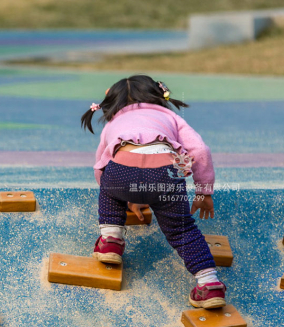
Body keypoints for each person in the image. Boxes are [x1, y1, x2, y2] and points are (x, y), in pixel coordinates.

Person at [81, 74, 225, 309]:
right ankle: (209, 285)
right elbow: (200, 150)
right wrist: (203, 192)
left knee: (108, 186)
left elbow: (101, 166)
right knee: (183, 230)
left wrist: (127, 193)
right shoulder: (171, 117)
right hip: (166, 174)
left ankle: (111, 240)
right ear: (159, 96)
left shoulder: (113, 123)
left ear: (113, 103)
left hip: (121, 175)